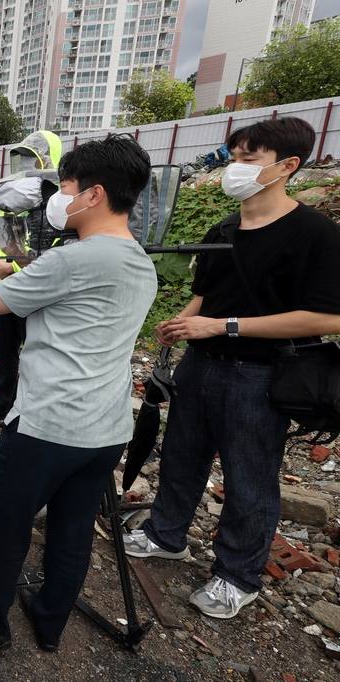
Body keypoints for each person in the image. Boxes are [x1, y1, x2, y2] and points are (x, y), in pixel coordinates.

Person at [124, 117, 340, 619]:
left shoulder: (317, 235)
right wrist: (184, 323)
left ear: (287, 165)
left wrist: (224, 327)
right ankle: (166, 534)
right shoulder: (221, 228)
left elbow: (328, 316)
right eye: (232, 156)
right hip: (201, 364)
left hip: (261, 375)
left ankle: (237, 575)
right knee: (181, 455)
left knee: (249, 477)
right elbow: (206, 296)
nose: (234, 168)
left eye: (249, 159)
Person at [0, 135, 157, 652]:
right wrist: (15, 268)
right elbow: (69, 301)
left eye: (64, 186)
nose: (58, 197)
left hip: (47, 425)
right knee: (72, 531)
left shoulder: (74, 259)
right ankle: (49, 622)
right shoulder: (137, 261)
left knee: (8, 524)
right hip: (106, 427)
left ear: (92, 194)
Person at [0, 130, 63, 423]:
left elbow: (56, 255)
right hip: (11, 287)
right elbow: (10, 239)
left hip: (36, 290)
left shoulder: (59, 203)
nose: (26, 166)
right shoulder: (19, 195)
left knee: (37, 352)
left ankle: (33, 412)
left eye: (32, 159)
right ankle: (3, 406)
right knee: (6, 350)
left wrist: (11, 265)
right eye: (23, 159)